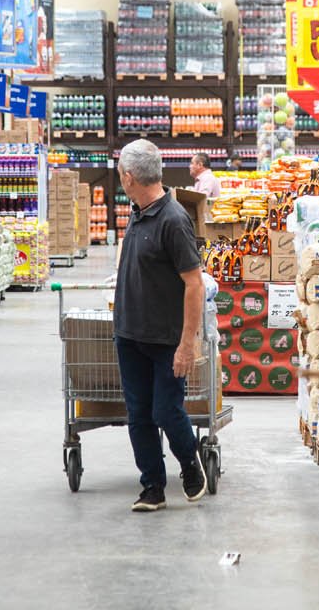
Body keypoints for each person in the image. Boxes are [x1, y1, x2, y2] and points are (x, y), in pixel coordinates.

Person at [114, 140, 207, 512]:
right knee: (138, 415)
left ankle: (189, 460)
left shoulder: (173, 219)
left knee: (166, 412)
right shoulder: (138, 211)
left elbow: (194, 283)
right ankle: (152, 486)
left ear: (129, 176)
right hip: (130, 334)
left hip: (166, 339)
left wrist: (187, 344)